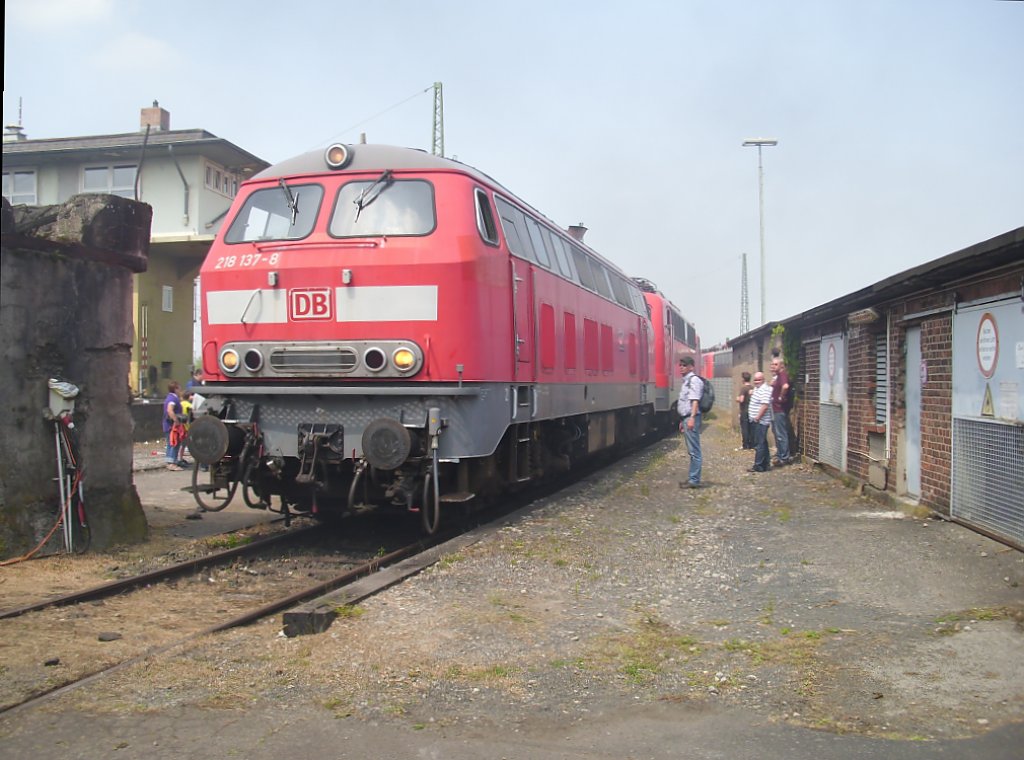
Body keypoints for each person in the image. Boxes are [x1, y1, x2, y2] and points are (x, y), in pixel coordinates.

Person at [677, 356, 703, 488]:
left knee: (694, 451)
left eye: (684, 365)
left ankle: (694, 480)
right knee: (692, 450)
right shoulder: (686, 381)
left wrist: (691, 418)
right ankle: (692, 478)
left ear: (691, 367)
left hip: (691, 417)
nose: (681, 367)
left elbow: (695, 401)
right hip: (686, 417)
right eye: (680, 365)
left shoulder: (694, 381)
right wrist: (683, 419)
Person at [770, 354, 793, 466]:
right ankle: (780, 454)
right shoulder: (778, 376)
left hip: (779, 410)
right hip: (775, 410)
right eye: (772, 364)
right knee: (777, 433)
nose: (773, 366)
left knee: (781, 434)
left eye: (776, 364)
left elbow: (785, 386)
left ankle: (784, 457)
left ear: (781, 365)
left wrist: (780, 397)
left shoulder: (783, 375)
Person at [748, 371, 773, 472]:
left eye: (759, 379)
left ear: (763, 380)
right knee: (763, 442)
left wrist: (757, 417)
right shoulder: (757, 389)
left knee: (759, 443)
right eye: (755, 380)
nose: (756, 381)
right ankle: (766, 464)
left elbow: (765, 405)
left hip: (761, 421)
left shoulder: (765, 390)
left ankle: (758, 465)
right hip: (757, 420)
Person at [163, 381, 187, 471]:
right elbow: (170, 410)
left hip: (169, 424)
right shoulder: (172, 399)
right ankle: (172, 463)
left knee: (171, 443)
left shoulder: (171, 397)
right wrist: (176, 420)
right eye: (179, 388)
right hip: (171, 425)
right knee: (174, 442)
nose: (180, 389)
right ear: (175, 389)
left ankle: (170, 461)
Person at [736, 371, 754, 449]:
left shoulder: (743, 388)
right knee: (750, 428)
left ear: (743, 379)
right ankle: (751, 444)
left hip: (744, 410)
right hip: (751, 410)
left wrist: (737, 399)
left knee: (744, 428)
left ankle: (745, 445)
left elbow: (742, 399)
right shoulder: (752, 388)